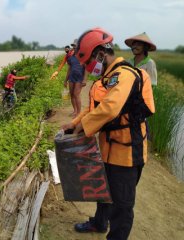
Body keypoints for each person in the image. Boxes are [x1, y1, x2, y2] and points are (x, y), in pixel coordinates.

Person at [62, 27, 155, 240]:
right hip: (106, 148)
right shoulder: (105, 78)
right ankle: (99, 223)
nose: (87, 68)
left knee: (122, 205)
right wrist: (73, 123)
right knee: (102, 191)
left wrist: (83, 127)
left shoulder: (125, 75)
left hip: (127, 153)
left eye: (87, 62)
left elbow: (110, 107)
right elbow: (93, 109)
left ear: (101, 54)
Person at [51, 41, 87, 118]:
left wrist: (85, 79)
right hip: (71, 77)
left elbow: (86, 69)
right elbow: (69, 69)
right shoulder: (71, 56)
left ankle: (79, 113)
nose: (74, 47)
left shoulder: (83, 56)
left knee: (76, 95)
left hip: (79, 78)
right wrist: (65, 80)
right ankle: (75, 111)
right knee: (72, 94)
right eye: (73, 46)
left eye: (76, 46)